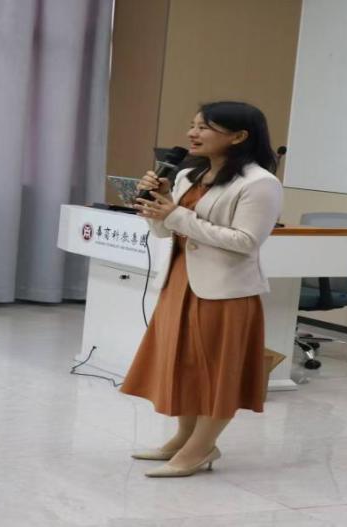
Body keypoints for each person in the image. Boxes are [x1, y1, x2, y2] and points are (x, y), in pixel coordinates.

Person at [120, 101, 284, 477]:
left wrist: (176, 214)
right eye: (193, 125)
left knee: (216, 372)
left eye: (205, 127)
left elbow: (246, 241)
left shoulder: (260, 183)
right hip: (180, 281)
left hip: (225, 291)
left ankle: (201, 447)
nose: (192, 133)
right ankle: (183, 438)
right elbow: (165, 231)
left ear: (239, 136)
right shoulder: (186, 176)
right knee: (185, 364)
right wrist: (158, 206)